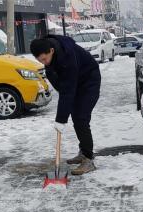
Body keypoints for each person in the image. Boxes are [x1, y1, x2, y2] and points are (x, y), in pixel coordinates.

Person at [30, 35, 101, 175]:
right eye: (40, 60)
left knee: (81, 118)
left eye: (44, 59)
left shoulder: (67, 57)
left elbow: (67, 91)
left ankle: (88, 160)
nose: (44, 62)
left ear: (51, 50)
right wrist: (65, 107)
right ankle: (83, 152)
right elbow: (62, 87)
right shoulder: (52, 57)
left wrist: (61, 118)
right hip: (75, 84)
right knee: (76, 116)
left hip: (89, 83)